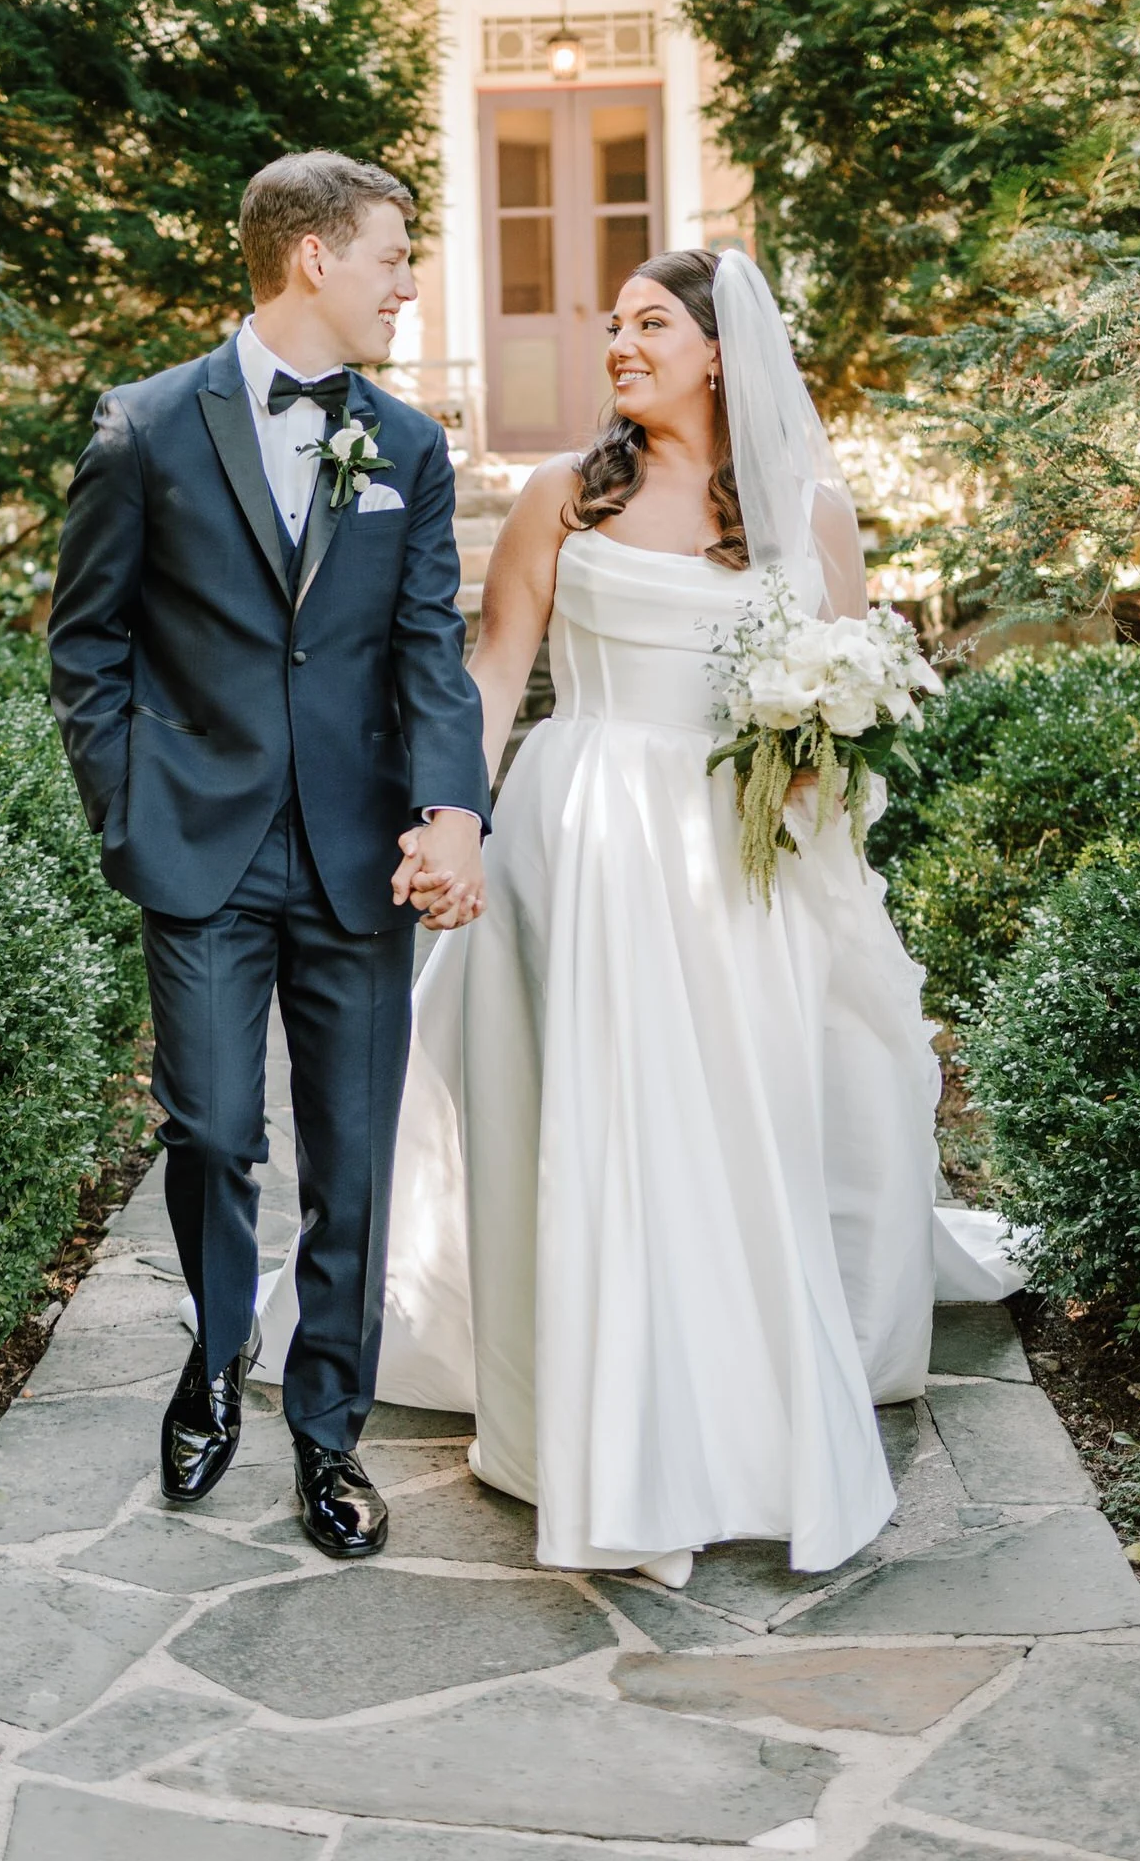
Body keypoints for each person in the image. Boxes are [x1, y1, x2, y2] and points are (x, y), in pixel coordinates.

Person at [257, 244, 1019, 1587]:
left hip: (735, 854)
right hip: (585, 829)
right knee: (590, 1121)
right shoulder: (563, 494)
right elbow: (493, 667)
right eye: (612, 325)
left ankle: (735, 1410)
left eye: (650, 323)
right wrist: (455, 819)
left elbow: (848, 690)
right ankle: (584, 1431)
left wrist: (808, 763)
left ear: (721, 351)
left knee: (727, 1123)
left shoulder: (810, 511)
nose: (620, 344)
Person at [47, 152, 490, 1555]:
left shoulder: (410, 450)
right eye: (392, 258)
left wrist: (448, 807)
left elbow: (429, 650)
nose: (410, 285)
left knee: (350, 1156)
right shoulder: (148, 425)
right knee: (215, 1132)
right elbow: (87, 645)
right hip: (202, 849)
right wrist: (130, 807)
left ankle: (327, 1433)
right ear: (311, 258)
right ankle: (214, 1359)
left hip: (362, 857)